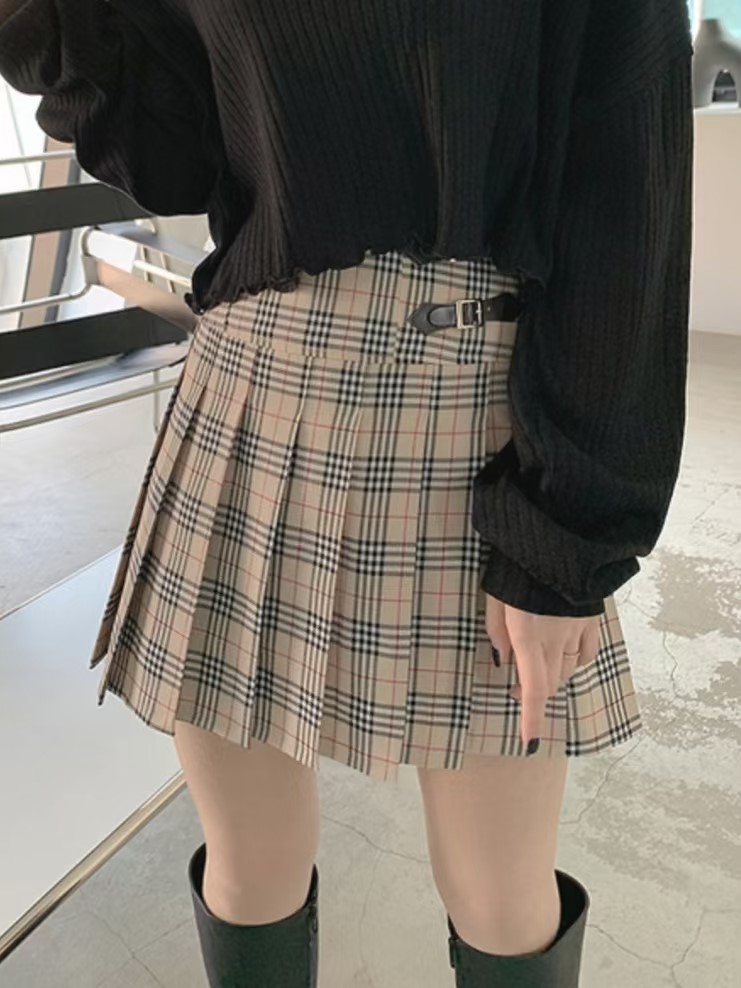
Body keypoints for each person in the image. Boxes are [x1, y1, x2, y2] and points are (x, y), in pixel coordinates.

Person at [0, 0, 694, 985]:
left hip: (472, 411)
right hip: (247, 393)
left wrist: (564, 533)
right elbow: (177, 158)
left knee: (499, 895)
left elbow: (628, 206)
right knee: (250, 864)